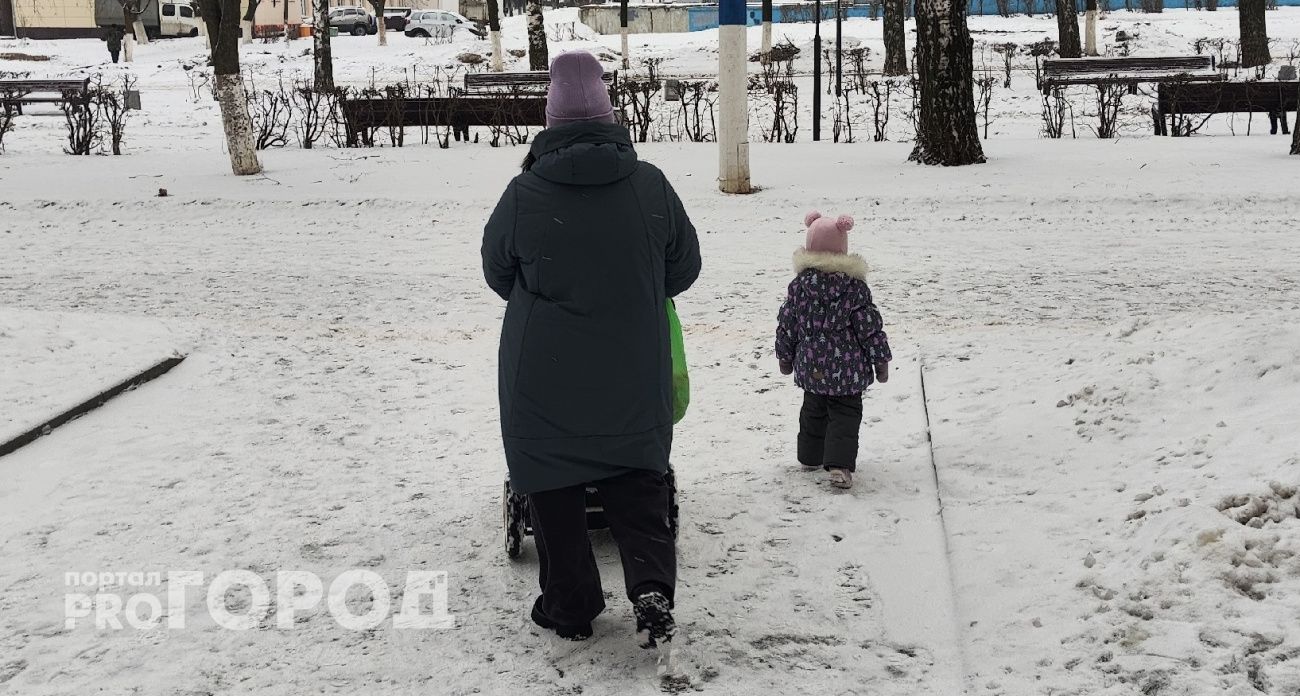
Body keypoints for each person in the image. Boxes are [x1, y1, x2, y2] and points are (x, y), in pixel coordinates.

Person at [481, 51, 701, 647]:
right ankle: (651, 586)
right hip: (633, 360)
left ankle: (571, 604)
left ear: (550, 120)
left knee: (551, 483)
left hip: (544, 369)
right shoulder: (650, 184)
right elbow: (683, 268)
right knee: (636, 477)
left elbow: (497, 270)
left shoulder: (525, 191)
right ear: (609, 114)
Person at [775, 211, 892, 490]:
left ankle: (809, 457)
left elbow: (787, 324)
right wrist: (880, 360)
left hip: (811, 367)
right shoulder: (854, 289)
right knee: (845, 415)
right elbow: (869, 327)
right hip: (847, 372)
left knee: (813, 410)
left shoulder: (799, 288)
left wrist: (785, 355)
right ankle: (839, 466)